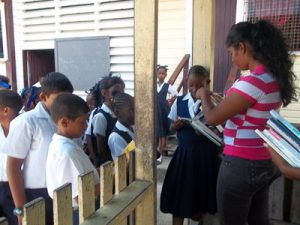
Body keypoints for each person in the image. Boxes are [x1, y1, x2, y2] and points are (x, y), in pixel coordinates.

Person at [195, 20, 298, 225]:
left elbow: (213, 118)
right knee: (258, 219)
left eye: (232, 53)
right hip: (264, 160)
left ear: (242, 47)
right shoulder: (272, 79)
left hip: (240, 164)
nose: (232, 59)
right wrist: (224, 101)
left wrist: (204, 95)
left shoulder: (251, 82)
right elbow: (251, 113)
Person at [4, 72, 74, 225]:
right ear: (43, 97)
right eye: (59, 99)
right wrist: (20, 210)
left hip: (64, 192)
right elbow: (13, 167)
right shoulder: (27, 122)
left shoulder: (69, 120)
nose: (64, 104)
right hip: (36, 195)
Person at [160, 65, 220, 225]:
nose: (194, 89)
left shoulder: (213, 102)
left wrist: (208, 131)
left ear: (207, 83)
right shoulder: (179, 102)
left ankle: (197, 215)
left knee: (202, 199)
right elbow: (171, 126)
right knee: (179, 198)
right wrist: (176, 126)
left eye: (199, 86)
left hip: (206, 157)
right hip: (185, 156)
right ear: (187, 83)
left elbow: (220, 130)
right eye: (191, 86)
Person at [46, 93, 100, 225]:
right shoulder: (67, 152)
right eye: (82, 122)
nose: (86, 126)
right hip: (77, 213)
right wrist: (109, 179)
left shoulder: (66, 145)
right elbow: (81, 195)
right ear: (64, 122)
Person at [90, 76, 125, 166]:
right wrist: (112, 164)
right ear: (104, 93)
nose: (120, 95)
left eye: (122, 92)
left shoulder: (118, 111)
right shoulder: (101, 117)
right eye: (116, 92)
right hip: (108, 164)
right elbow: (101, 148)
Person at [0, 90, 22, 225]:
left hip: (16, 187)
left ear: (6, 111)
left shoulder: (24, 128)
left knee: (18, 220)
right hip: (1, 187)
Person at [156, 65, 178, 163]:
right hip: (155, 110)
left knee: (163, 133)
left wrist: (171, 100)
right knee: (157, 132)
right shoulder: (153, 85)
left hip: (163, 110)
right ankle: (157, 153)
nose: (161, 75)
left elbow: (176, 93)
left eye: (163, 74)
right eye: (159, 73)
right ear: (156, 74)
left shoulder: (167, 86)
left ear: (165, 75)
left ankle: (161, 154)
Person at [108, 92, 135, 160]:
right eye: (131, 110)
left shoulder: (132, 128)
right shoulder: (115, 137)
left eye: (135, 109)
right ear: (117, 113)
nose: (135, 113)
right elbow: (123, 164)